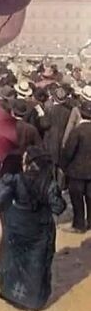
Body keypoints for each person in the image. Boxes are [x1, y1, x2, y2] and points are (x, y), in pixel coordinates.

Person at [0, 147, 66, 311]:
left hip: (16, 224)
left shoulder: (15, 178)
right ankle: (32, 303)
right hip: (39, 228)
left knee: (14, 260)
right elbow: (58, 207)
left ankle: (10, 294)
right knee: (36, 264)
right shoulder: (49, 183)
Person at [61, 100, 91, 233]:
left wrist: (64, 166)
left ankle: (79, 224)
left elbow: (68, 151)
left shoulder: (77, 131)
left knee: (77, 200)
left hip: (76, 171)